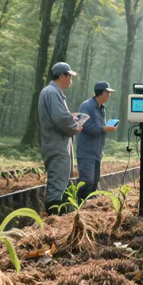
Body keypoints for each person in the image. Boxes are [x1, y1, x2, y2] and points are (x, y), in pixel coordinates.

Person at [38, 62, 82, 213]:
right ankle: (53, 220)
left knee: (61, 182)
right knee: (57, 185)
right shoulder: (51, 92)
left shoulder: (52, 92)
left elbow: (60, 116)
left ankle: (59, 218)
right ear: (62, 76)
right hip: (56, 145)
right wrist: (75, 126)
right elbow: (60, 118)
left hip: (57, 144)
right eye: (70, 76)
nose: (71, 79)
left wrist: (72, 118)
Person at [75, 81, 118, 201]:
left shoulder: (102, 109)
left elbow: (99, 127)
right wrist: (105, 128)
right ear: (102, 93)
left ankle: (89, 208)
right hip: (86, 152)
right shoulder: (86, 106)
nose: (109, 95)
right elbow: (86, 126)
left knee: (94, 182)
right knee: (86, 181)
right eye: (108, 92)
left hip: (97, 152)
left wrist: (105, 127)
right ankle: (79, 208)